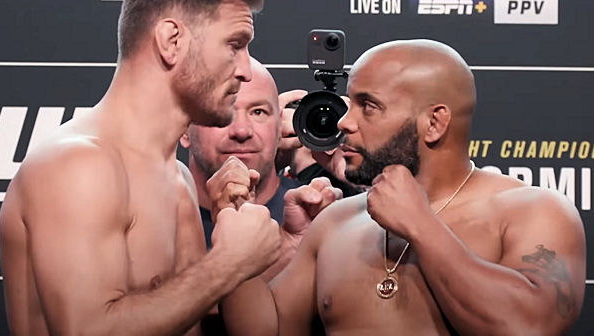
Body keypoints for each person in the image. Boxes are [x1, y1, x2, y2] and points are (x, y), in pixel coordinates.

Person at [0, 0, 282, 336]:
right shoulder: (78, 165)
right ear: (171, 41)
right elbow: (86, 331)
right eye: (235, 45)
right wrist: (229, 262)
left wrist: (235, 230)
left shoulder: (177, 178)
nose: (247, 70)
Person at [222, 39, 587, 335]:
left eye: (368, 106)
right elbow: (268, 330)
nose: (344, 122)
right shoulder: (336, 222)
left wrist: (421, 225)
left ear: (434, 123)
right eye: (350, 104)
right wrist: (238, 220)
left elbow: (529, 326)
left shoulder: (534, 211)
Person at [182, 58, 304, 248]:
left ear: (280, 125)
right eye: (220, 111)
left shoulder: (315, 215)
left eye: (258, 112)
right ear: (184, 129)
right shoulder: (149, 220)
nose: (241, 131)